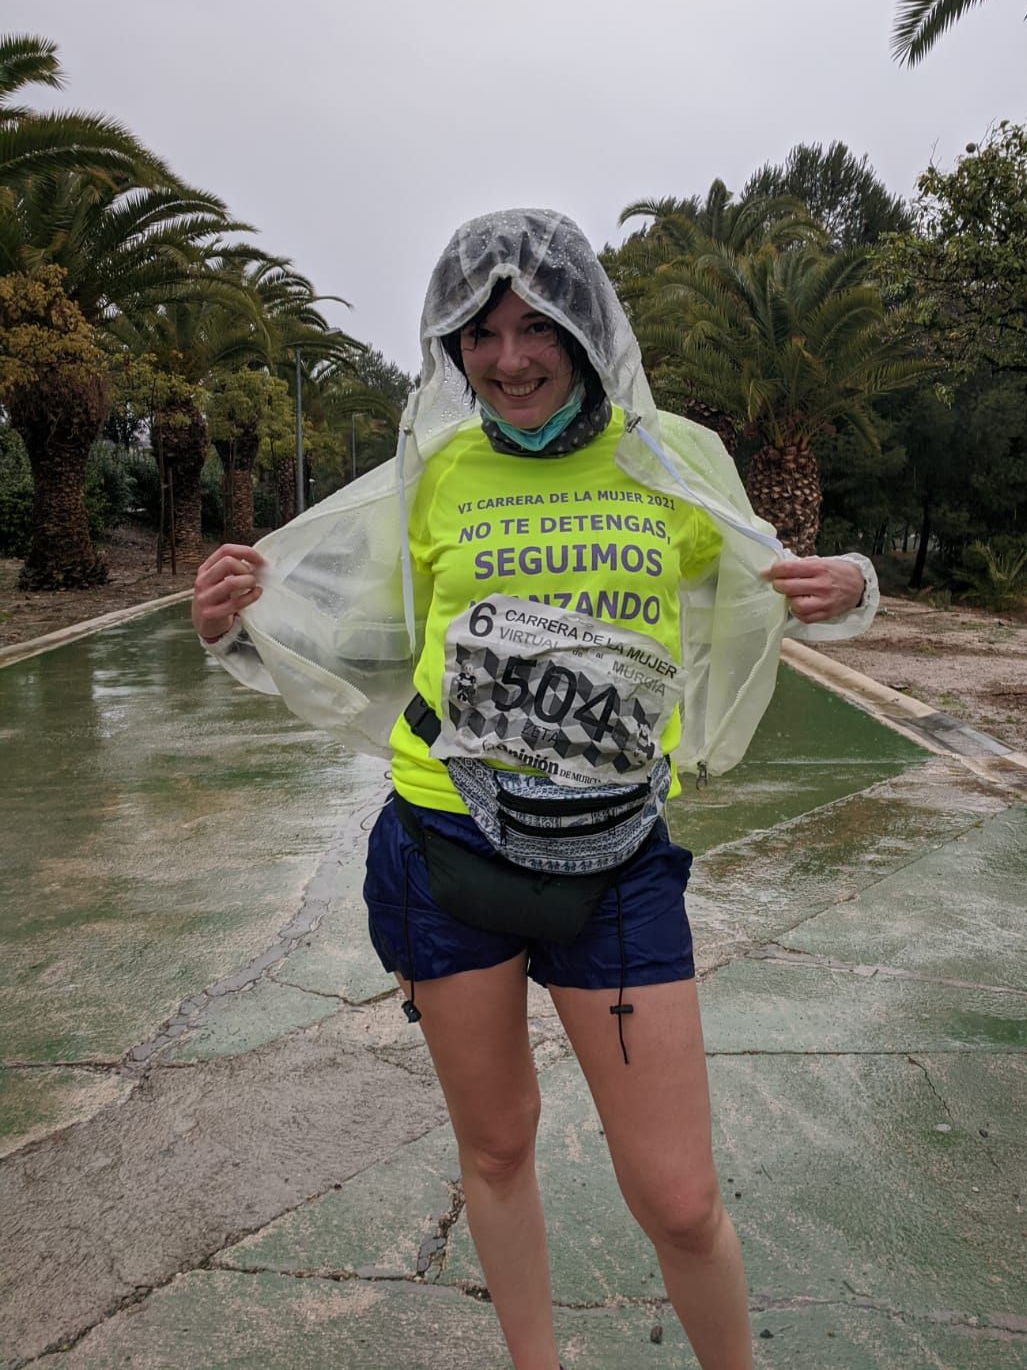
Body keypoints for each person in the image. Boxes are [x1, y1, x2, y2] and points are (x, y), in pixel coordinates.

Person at [192, 209, 877, 1370]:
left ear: (584, 325)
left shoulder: (673, 460)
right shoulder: (435, 473)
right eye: (480, 333)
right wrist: (235, 625)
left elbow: (775, 569)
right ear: (451, 347)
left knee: (677, 1195)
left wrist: (854, 584)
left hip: (618, 867)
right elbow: (345, 614)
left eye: (534, 327)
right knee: (499, 1150)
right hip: (447, 853)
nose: (508, 359)